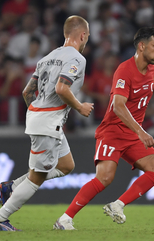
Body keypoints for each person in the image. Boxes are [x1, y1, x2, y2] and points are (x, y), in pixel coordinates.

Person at [53, 27, 154, 230]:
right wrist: (141, 131)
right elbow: (118, 105)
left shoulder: (151, 69)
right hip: (113, 132)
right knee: (104, 178)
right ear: (142, 46)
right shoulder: (124, 70)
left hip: (132, 135)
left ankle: (117, 205)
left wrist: (137, 131)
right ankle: (64, 219)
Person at [0, 15, 93, 231]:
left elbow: (27, 92)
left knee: (66, 166)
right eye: (87, 37)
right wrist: (79, 107)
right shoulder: (77, 59)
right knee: (37, 177)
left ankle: (10, 187)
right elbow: (62, 88)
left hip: (43, 117)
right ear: (83, 35)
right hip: (49, 121)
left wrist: (38, 113)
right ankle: (2, 217)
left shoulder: (47, 58)